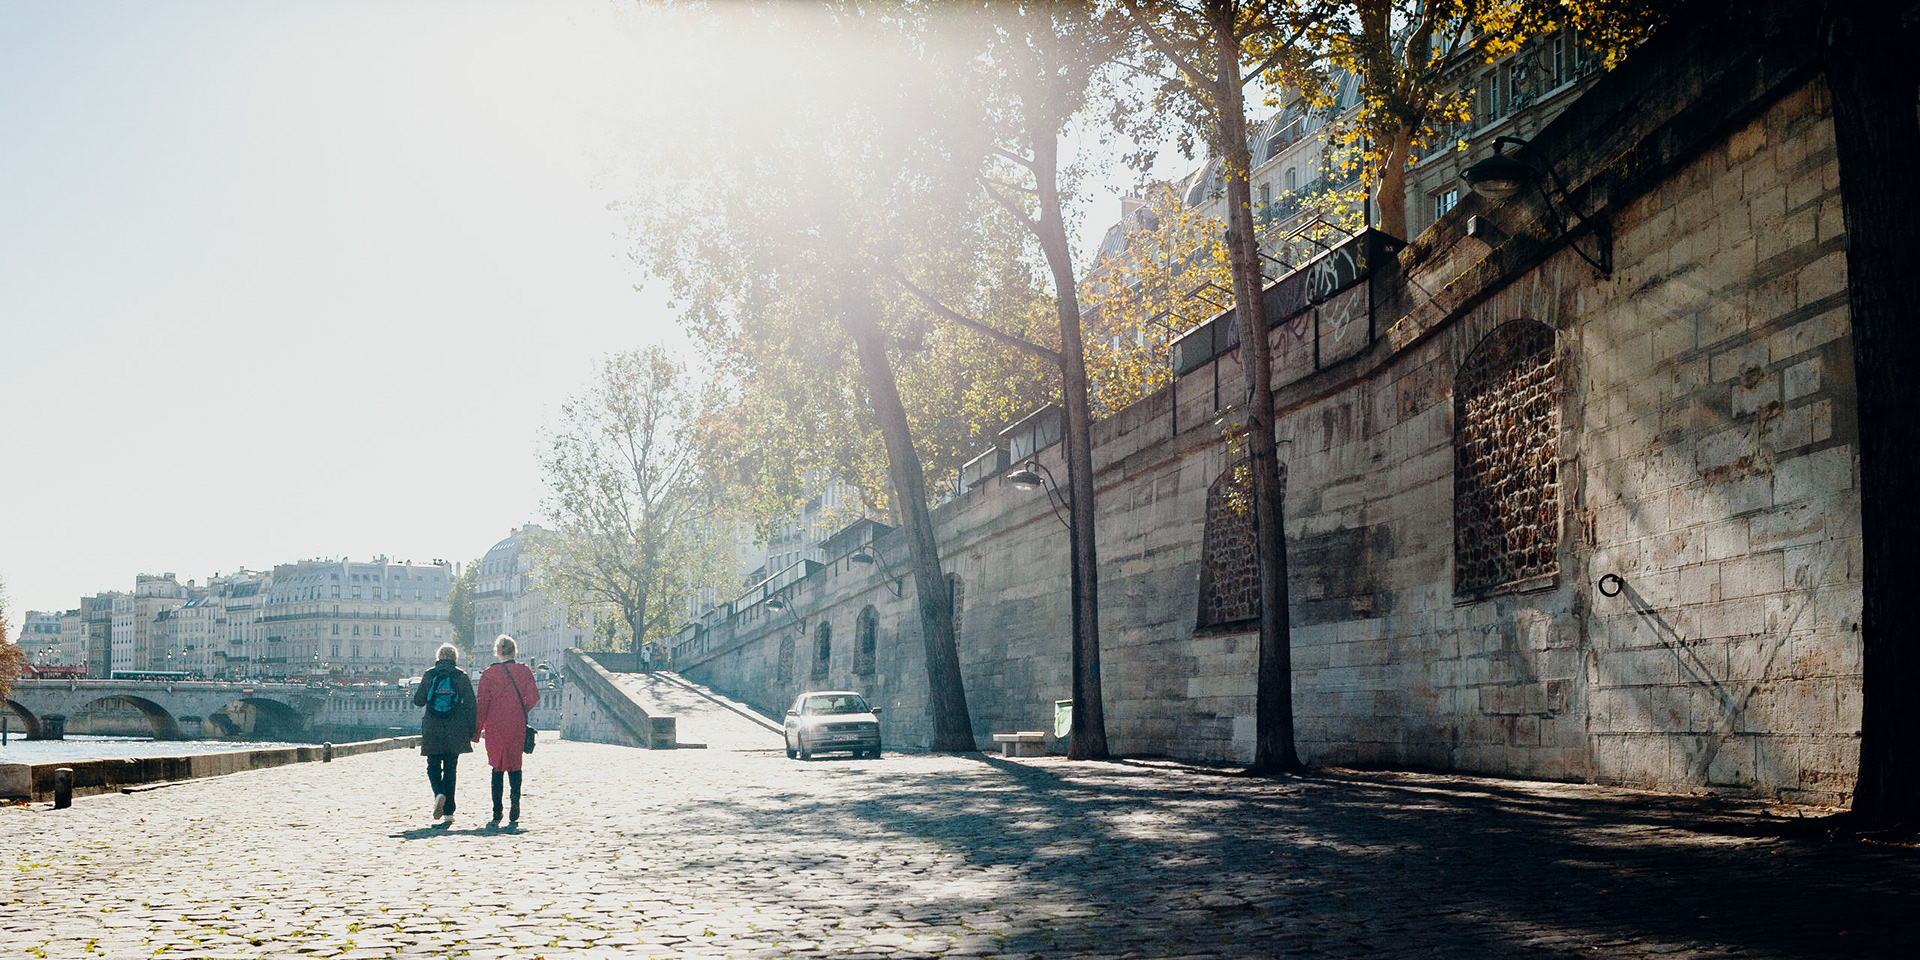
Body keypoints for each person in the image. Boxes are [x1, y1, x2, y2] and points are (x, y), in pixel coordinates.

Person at [476, 633, 540, 827]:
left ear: (497, 652)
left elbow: (482, 704)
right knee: (515, 763)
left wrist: (477, 729)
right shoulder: (524, 671)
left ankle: (497, 810)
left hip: (495, 724)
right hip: (516, 722)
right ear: (515, 650)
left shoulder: (488, 674)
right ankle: (515, 801)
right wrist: (521, 710)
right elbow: (534, 696)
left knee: (497, 765)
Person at [412, 644, 476, 826]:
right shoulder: (461, 676)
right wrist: (471, 730)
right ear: (455, 658)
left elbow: (418, 701)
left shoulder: (430, 674)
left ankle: (438, 792)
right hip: (455, 728)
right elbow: (472, 705)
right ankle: (449, 812)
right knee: (450, 768)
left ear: (439, 657)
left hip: (433, 726)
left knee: (432, 765)